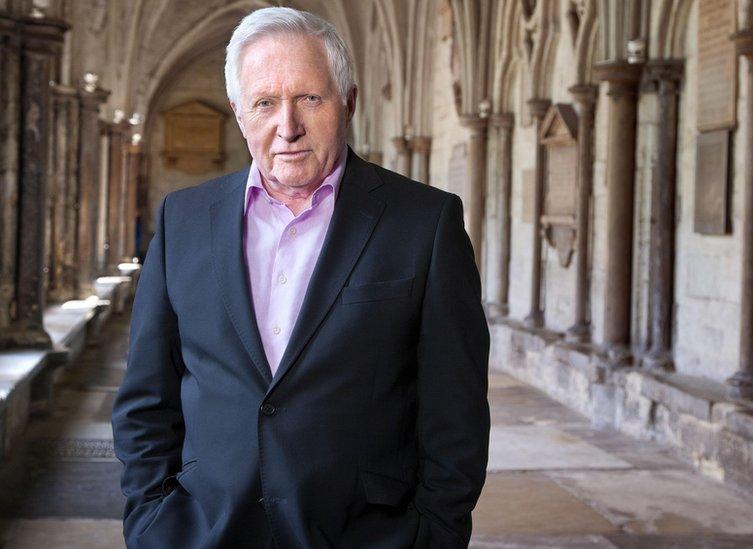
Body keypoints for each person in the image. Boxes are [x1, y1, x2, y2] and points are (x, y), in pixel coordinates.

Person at [111, 7, 490, 548]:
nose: (286, 127)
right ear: (239, 113)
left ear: (349, 103)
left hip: (364, 536)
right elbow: (147, 398)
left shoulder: (424, 223)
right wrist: (151, 521)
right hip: (201, 533)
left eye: (310, 99)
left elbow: (456, 410)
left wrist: (434, 535)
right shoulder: (184, 221)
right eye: (265, 103)